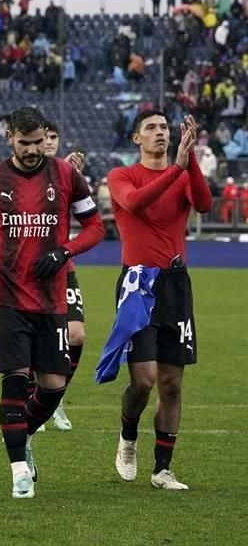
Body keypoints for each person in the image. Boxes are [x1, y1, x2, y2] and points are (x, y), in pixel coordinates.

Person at [0, 107, 104, 499]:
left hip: (51, 298)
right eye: (25, 143)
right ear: (10, 139)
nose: (34, 149)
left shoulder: (67, 175)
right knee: (16, 379)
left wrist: (64, 252)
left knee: (53, 387)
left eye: (39, 141)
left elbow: (96, 226)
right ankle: (19, 471)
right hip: (4, 297)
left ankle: (24, 438)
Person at [104, 112, 212, 491]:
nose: (160, 133)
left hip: (176, 285)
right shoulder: (122, 176)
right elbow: (134, 204)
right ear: (136, 138)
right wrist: (176, 169)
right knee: (144, 381)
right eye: (150, 128)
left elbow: (203, 203)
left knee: (172, 383)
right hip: (138, 285)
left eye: (165, 127)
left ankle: (162, 469)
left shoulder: (182, 171)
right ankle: (128, 437)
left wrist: (190, 158)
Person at [42, 122, 89, 431]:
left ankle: (56, 398)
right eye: (43, 137)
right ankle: (39, 398)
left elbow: (86, 215)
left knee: (76, 334)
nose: (48, 142)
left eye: (53, 137)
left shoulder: (67, 174)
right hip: (30, 271)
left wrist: (76, 178)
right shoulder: (20, 174)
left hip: (62, 267)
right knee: (38, 340)